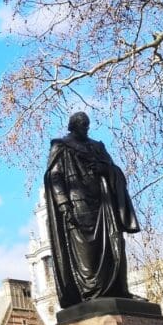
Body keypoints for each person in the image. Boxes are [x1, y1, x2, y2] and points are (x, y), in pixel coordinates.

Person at [44, 112, 140, 308]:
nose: (86, 129)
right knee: (86, 253)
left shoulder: (97, 146)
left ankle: (120, 289)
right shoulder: (61, 147)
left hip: (104, 206)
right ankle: (90, 293)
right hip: (78, 207)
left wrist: (104, 169)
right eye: (82, 126)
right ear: (73, 126)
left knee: (115, 247)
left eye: (87, 126)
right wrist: (63, 204)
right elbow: (54, 178)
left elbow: (114, 170)